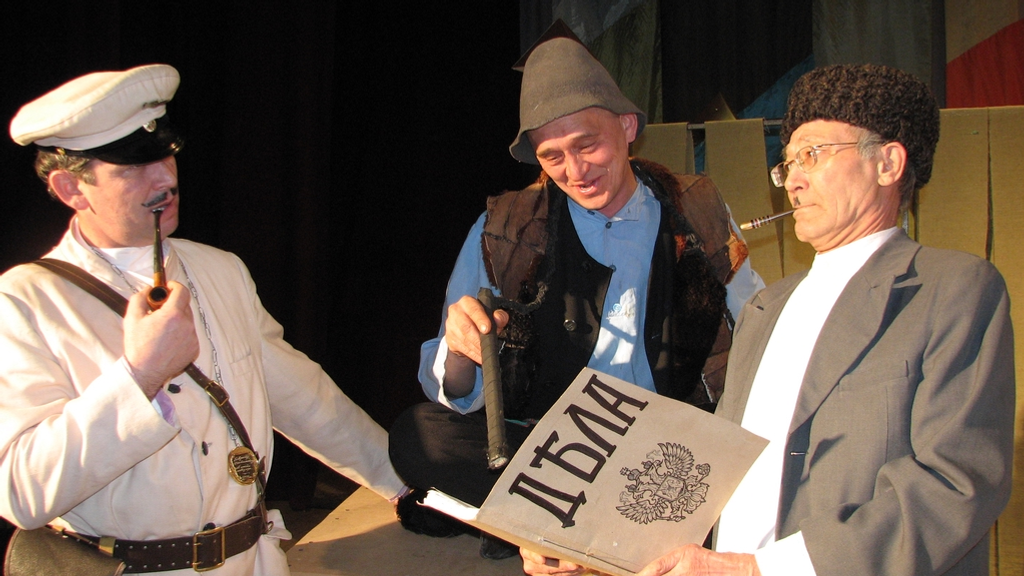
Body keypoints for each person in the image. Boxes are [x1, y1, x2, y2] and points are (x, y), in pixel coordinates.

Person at [575, 63, 1015, 576]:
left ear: (888, 163)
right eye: (786, 164)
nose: (793, 181)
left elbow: (955, 484)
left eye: (812, 155)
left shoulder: (951, 290)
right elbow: (709, 477)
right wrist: (588, 542)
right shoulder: (766, 310)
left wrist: (755, 569)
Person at [0, 64, 405, 575]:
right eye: (132, 168)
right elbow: (20, 492)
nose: (165, 179)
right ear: (71, 189)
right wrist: (140, 377)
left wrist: (404, 485)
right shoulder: (24, 303)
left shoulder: (219, 269)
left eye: (165, 155)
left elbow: (304, 398)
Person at [388, 36, 764, 559]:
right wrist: (461, 351)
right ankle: (604, 534)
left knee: (762, 465)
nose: (575, 171)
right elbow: (449, 386)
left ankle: (550, 531)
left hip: (669, 450)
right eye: (552, 156)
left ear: (627, 128)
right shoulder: (504, 228)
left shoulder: (697, 208)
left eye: (588, 146)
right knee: (418, 437)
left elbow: (757, 331)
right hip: (555, 455)